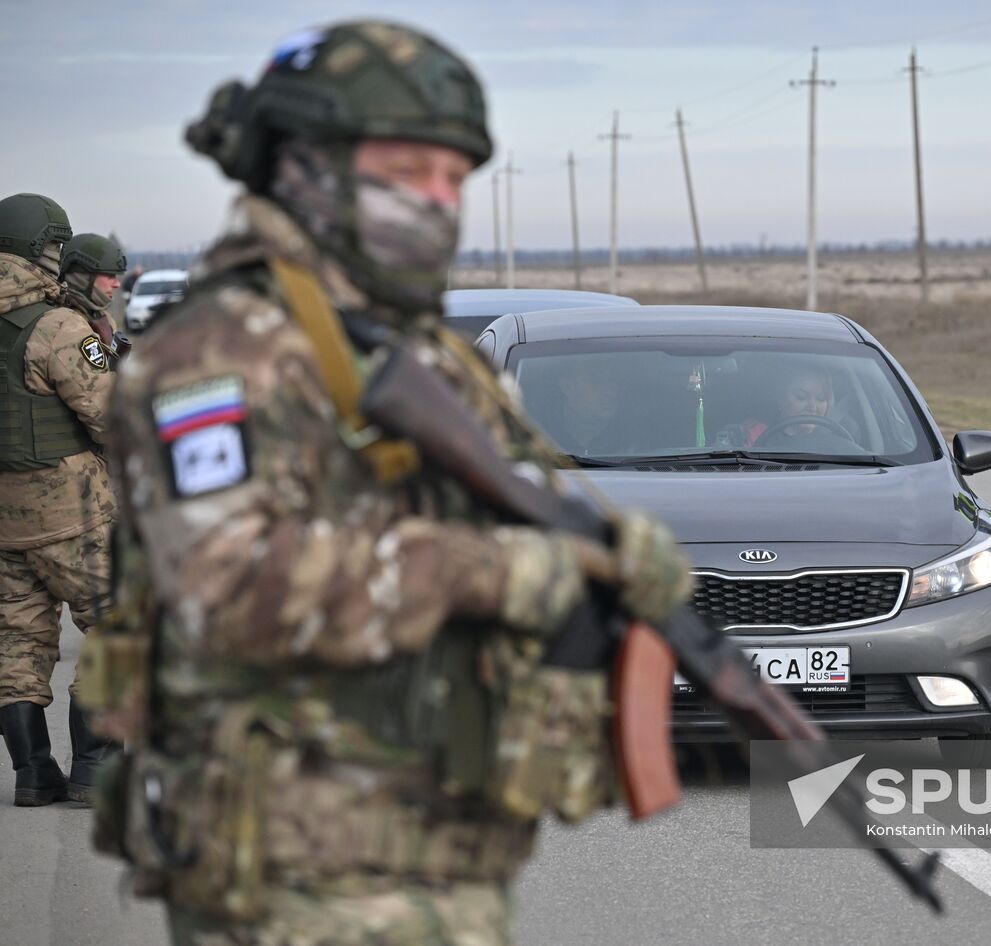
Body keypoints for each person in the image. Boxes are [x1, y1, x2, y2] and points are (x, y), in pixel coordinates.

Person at [84, 21, 691, 945]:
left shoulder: (401, 347)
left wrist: (602, 561)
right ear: (303, 167)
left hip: (431, 852)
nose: (439, 200)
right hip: (294, 877)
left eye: (454, 178)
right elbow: (225, 586)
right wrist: (507, 571)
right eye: (408, 171)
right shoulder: (220, 352)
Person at [0, 193, 118, 806]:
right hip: (72, 514)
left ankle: (33, 774)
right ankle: (94, 767)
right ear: (37, 248)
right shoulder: (58, 327)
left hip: (4, 525)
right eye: (54, 244)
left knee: (18, 642)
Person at [60, 232, 132, 361]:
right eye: (110, 276)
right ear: (83, 277)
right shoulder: (61, 325)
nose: (117, 284)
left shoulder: (103, 318)